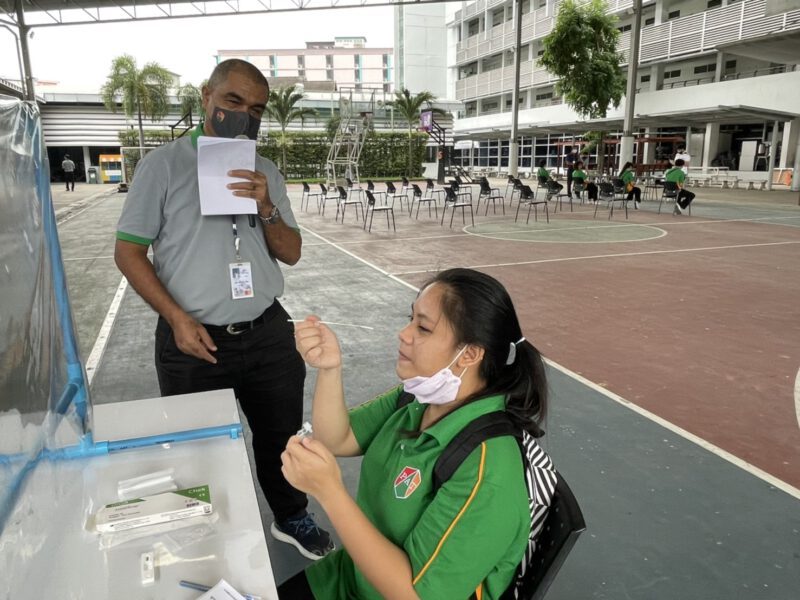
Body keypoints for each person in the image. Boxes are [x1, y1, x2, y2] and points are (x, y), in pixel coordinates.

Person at [113, 59, 333, 560]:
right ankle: (203, 530)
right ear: (205, 96)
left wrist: (266, 205)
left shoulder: (267, 171)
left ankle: (290, 515)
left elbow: (291, 252)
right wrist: (176, 318)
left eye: (255, 109)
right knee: (198, 446)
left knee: (280, 436)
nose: (243, 116)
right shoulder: (162, 167)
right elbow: (128, 251)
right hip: (193, 340)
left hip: (267, 333)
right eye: (233, 101)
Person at [280, 268, 554, 600]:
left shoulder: (487, 471)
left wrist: (329, 491)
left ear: (469, 353)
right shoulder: (416, 399)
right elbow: (339, 437)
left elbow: (416, 595)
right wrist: (329, 367)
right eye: (410, 319)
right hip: (349, 579)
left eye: (423, 327)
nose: (404, 333)